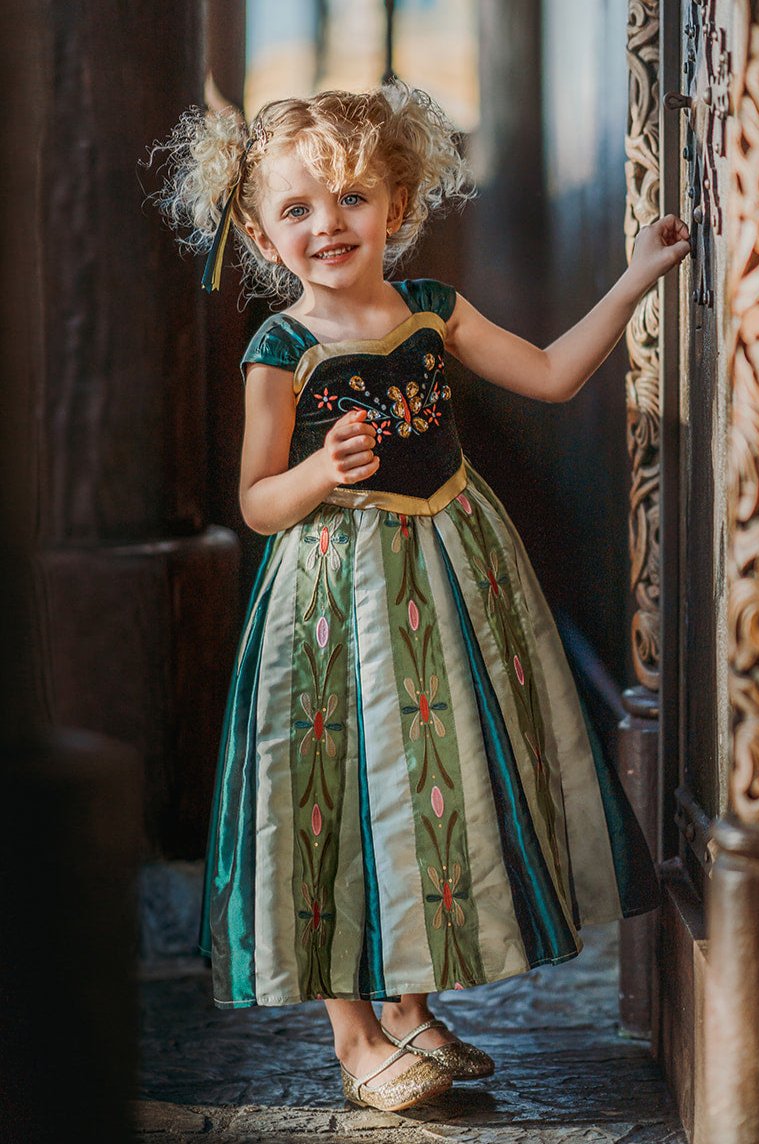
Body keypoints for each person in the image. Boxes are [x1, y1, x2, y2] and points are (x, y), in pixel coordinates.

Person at [151, 80, 690, 1114]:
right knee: (334, 786)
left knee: (424, 777)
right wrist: (321, 472)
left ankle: (412, 1006)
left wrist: (635, 280)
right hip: (330, 596)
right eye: (298, 210)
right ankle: (353, 1034)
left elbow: (548, 373)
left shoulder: (430, 311)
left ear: (397, 207)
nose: (328, 225)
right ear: (262, 234)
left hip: (449, 570)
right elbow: (259, 502)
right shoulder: (282, 349)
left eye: (352, 199)